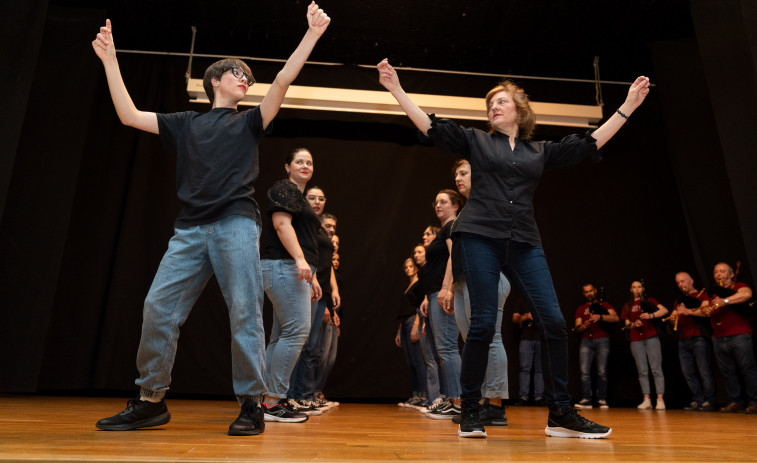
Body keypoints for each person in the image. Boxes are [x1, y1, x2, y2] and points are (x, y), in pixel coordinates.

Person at [91, 3, 330, 436]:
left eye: (247, 76)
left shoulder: (251, 122)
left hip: (236, 223)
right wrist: (110, 60)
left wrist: (311, 35)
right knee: (158, 307)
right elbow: (128, 115)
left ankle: (252, 405)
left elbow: (282, 80)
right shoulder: (186, 123)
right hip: (188, 231)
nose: (245, 78)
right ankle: (150, 401)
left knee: (244, 312)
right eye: (236, 72)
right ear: (215, 81)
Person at [378, 59, 649, 438]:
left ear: (519, 111)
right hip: (478, 238)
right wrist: (396, 89)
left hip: (524, 242)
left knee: (554, 322)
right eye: (490, 104)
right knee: (484, 323)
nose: (493, 107)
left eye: (501, 102)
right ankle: (471, 409)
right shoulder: (476, 140)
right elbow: (431, 127)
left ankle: (560, 413)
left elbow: (588, 143)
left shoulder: (538, 151)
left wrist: (628, 106)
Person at [260, 149, 326, 423]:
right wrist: (300, 261)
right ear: (287, 166)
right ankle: (273, 402)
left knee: (280, 336)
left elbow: (305, 239)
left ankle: (262, 400)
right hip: (284, 266)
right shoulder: (284, 188)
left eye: (309, 162)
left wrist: (312, 275)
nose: (305, 165)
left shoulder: (298, 196)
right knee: (297, 331)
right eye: (299, 161)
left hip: (293, 269)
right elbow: (281, 224)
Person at [448, 160, 509, 426]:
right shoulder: (466, 210)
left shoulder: (490, 201)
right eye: (456, 175)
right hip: (463, 281)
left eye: (464, 173)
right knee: (473, 342)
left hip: (487, 278)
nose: (458, 178)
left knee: (490, 337)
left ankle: (495, 404)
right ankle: (484, 401)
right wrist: (451, 286)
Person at [288, 189, 340, 411]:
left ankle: (305, 395)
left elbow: (325, 263)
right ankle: (292, 395)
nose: (317, 202)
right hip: (309, 287)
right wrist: (315, 279)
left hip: (321, 292)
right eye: (312, 198)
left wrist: (332, 290)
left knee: (311, 347)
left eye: (321, 198)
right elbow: (310, 258)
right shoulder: (305, 226)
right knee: (301, 344)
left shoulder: (318, 228)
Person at [419, 190, 465, 420]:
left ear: (456, 205)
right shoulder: (447, 228)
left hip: (444, 292)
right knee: (444, 349)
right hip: (435, 293)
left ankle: (457, 401)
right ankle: (450, 397)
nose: (438, 205)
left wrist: (448, 289)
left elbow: (452, 257)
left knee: (447, 348)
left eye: (443, 202)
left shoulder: (451, 226)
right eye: (436, 201)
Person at [703, 262, 757, 413]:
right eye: (716, 272)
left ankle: (754, 402)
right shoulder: (713, 292)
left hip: (739, 335)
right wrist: (706, 310)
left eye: (722, 271)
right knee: (728, 372)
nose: (718, 274)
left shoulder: (738, 286)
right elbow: (703, 308)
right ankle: (735, 402)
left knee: (748, 369)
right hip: (718, 337)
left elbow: (747, 294)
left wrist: (725, 301)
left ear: (731, 274)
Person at [668, 272, 716, 411]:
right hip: (683, 339)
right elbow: (675, 323)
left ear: (691, 281)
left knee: (704, 371)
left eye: (683, 281)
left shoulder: (702, 295)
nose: (680, 285)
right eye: (678, 282)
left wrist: (689, 312)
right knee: (688, 372)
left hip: (699, 337)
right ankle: (698, 400)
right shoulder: (678, 300)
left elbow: (705, 313)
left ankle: (709, 401)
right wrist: (673, 319)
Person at [621, 280, 669, 410]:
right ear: (631, 290)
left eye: (639, 287)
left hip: (651, 337)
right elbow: (626, 324)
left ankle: (660, 399)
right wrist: (633, 324)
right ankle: (646, 399)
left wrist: (651, 315)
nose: (637, 290)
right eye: (634, 287)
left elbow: (664, 310)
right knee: (642, 370)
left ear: (643, 288)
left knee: (656, 368)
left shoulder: (650, 300)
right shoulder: (627, 305)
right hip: (636, 339)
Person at [573, 284, 618, 409]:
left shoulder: (604, 305)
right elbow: (577, 328)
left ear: (595, 291)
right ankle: (586, 399)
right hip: (586, 340)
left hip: (602, 339)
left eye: (591, 291)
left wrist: (601, 317)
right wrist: (584, 326)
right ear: (584, 294)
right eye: (586, 292)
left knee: (601, 371)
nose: (589, 294)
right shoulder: (581, 308)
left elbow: (615, 318)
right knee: (584, 371)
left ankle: (602, 399)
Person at [396, 257, 428, 409]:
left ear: (416, 268)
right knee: (410, 361)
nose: (408, 269)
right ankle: (416, 394)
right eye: (406, 266)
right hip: (405, 324)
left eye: (410, 266)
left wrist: (416, 325)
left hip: (413, 322)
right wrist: (399, 331)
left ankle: (423, 394)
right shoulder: (408, 286)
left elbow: (418, 307)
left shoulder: (418, 283)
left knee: (418, 360)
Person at [413, 241, 442, 408]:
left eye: (420, 252)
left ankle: (438, 398)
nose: (416, 255)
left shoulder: (432, 269)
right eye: (415, 252)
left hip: (429, 311)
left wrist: (422, 321)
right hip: (424, 312)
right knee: (429, 359)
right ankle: (432, 398)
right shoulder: (423, 272)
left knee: (434, 357)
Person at [512, 311, 544, 407]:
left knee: (540, 370)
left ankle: (539, 397)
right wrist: (526, 316)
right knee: (525, 369)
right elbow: (514, 318)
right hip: (526, 338)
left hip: (541, 338)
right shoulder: (522, 299)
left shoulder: (542, 300)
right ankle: (523, 397)